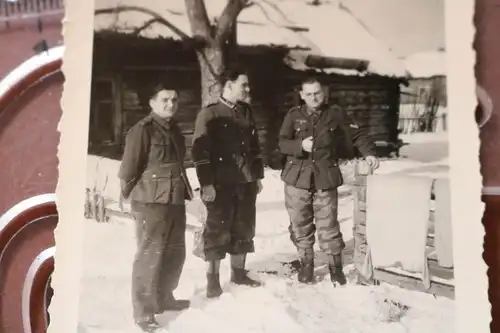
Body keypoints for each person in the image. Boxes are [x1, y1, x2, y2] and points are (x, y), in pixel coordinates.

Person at [278, 77, 380, 286]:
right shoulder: (293, 115)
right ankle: (307, 265)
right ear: (302, 95)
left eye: (317, 93)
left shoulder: (336, 114)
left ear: (323, 92)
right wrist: (299, 146)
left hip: (325, 177)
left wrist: (369, 153)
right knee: (300, 225)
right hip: (297, 180)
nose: (313, 97)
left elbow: (357, 135)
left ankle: (336, 268)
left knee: (329, 225)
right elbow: (281, 143)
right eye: (309, 94)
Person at [118, 85, 194, 331]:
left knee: (174, 253)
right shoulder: (142, 131)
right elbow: (129, 169)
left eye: (174, 99)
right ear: (151, 103)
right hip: (150, 202)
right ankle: (143, 313)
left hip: (174, 199)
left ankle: (164, 298)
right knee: (149, 257)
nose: (170, 104)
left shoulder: (174, 129)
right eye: (164, 99)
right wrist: (130, 198)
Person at [191, 69, 264, 298]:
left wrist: (257, 176)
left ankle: (239, 273)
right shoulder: (210, 114)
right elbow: (200, 153)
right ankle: (213, 281)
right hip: (220, 184)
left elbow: (254, 147)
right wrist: (207, 184)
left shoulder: (246, 112)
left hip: (245, 181)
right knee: (216, 230)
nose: (248, 89)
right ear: (229, 86)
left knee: (244, 227)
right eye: (244, 85)